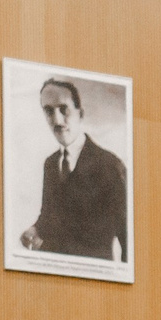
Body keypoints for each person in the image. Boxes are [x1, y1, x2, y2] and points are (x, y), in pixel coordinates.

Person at [19, 76, 127, 262]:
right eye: (49, 111)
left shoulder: (110, 166)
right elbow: (49, 216)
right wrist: (35, 229)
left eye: (64, 109)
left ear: (80, 114)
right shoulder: (51, 164)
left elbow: (127, 239)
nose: (57, 120)